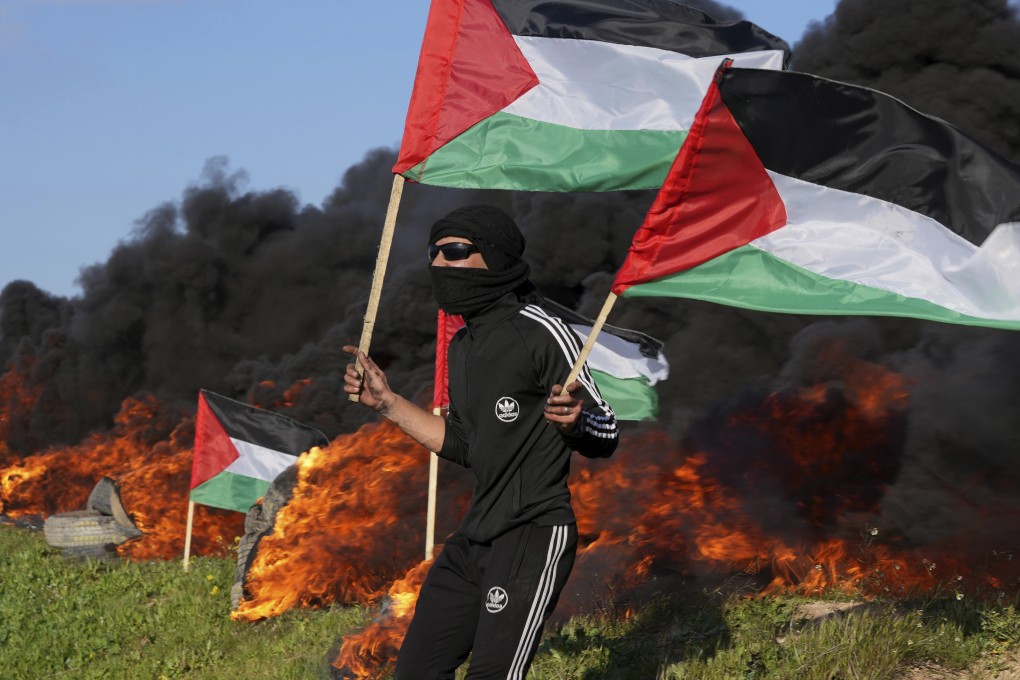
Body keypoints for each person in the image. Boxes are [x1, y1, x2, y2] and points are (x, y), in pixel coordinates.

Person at [343, 204, 619, 679]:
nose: (438, 263)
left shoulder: (541, 330)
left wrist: (575, 422)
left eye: (454, 251)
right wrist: (386, 402)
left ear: (494, 256)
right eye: (433, 253)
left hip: (533, 532)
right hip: (474, 538)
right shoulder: (463, 345)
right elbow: (465, 445)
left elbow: (607, 431)